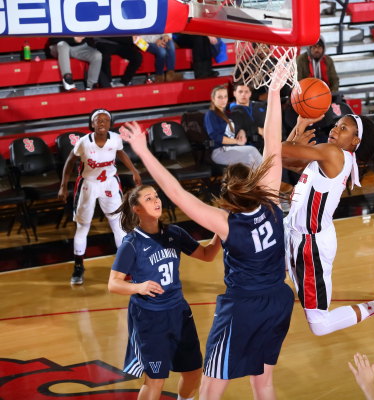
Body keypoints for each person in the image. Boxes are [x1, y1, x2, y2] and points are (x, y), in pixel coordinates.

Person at [119, 63, 295, 400]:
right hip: (279, 299)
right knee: (263, 382)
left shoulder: (226, 223)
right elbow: (273, 140)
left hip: (244, 305)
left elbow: (177, 194)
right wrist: (273, 91)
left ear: (229, 193)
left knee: (212, 388)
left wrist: (142, 150)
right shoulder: (272, 199)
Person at [283, 112, 374, 337]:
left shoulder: (333, 153)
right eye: (336, 125)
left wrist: (297, 130)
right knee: (262, 276)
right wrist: (298, 127)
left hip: (310, 246)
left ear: (355, 141)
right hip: (292, 235)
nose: (334, 129)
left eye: (343, 128)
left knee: (320, 325)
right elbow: (285, 159)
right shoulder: (331, 155)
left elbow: (279, 151)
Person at [108, 185, 220, 400]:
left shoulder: (174, 233)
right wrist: (138, 287)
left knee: (193, 371)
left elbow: (206, 255)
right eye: (148, 199)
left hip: (179, 312)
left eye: (157, 196)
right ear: (136, 208)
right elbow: (113, 283)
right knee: (155, 380)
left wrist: (220, 231)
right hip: (149, 318)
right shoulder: (132, 243)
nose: (156, 201)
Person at [58, 109, 142, 285]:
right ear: (92, 124)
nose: (102, 122)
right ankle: (79, 266)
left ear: (110, 123)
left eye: (106, 119)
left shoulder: (116, 139)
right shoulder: (83, 142)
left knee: (119, 224)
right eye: (98, 120)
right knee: (83, 226)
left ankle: (125, 267)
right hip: (88, 184)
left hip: (110, 183)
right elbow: (70, 161)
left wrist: (134, 170)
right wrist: (63, 185)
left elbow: (120, 152)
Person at [205, 84, 263, 167]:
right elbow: (216, 137)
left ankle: (261, 179)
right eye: (220, 97)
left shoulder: (229, 113)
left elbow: (240, 127)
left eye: (225, 97)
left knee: (250, 162)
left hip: (233, 149)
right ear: (213, 99)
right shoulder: (211, 114)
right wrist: (237, 141)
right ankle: (268, 178)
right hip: (220, 151)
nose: (223, 100)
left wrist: (242, 131)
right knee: (251, 151)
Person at [229, 81, 267, 151]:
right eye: (240, 92)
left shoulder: (260, 106)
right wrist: (257, 129)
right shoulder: (230, 111)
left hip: (266, 143)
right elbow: (236, 130)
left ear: (250, 93)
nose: (243, 94)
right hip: (245, 147)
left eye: (246, 92)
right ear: (234, 93)